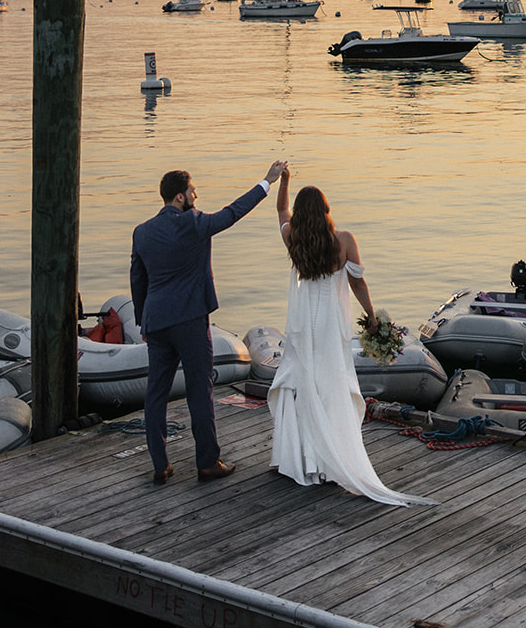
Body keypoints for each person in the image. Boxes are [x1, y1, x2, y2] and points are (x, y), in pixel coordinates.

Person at [268, 166, 434, 508]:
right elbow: (357, 283)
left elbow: (281, 211)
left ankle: (305, 459)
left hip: (302, 325)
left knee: (304, 386)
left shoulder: (293, 238)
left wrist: (283, 181)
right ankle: (329, 458)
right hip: (330, 325)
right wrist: (371, 318)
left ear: (300, 215)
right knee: (331, 386)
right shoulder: (342, 241)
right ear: (326, 211)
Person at [131, 160, 287, 486]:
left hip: (156, 322)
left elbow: (138, 281)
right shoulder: (194, 222)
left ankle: (160, 465)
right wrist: (266, 182)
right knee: (199, 390)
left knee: (155, 393)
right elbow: (232, 213)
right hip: (189, 320)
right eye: (192, 191)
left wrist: (143, 323)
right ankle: (207, 463)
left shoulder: (142, 232)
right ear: (179, 197)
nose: (196, 195)